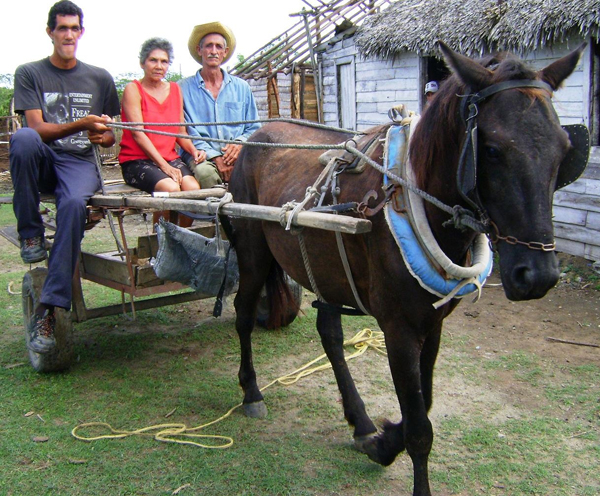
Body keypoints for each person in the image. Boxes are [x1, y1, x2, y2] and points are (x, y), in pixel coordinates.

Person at [9, 0, 120, 354]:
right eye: (62, 28)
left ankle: (49, 307)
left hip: (80, 163)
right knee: (22, 138)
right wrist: (82, 123)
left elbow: (111, 134)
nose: (68, 34)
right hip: (44, 158)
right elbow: (37, 130)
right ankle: (31, 234)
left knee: (73, 204)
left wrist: (101, 134)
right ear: (50, 32)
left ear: (82, 32)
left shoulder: (100, 77)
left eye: (74, 28)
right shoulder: (29, 72)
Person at [118, 37, 203, 227]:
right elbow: (138, 134)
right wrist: (164, 166)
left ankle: (181, 240)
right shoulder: (133, 89)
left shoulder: (175, 89)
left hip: (169, 158)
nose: (159, 66)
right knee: (170, 189)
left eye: (164, 61)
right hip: (137, 161)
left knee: (193, 190)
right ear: (142, 63)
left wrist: (192, 150)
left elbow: (181, 130)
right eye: (153, 60)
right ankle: (160, 245)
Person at [179, 22, 260, 187]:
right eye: (208, 46)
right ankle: (213, 214)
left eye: (218, 46)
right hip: (200, 155)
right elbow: (186, 132)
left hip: (238, 153)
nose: (213, 51)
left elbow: (254, 126)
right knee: (206, 174)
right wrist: (215, 157)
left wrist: (239, 144)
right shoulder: (182, 89)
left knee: (263, 173)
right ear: (199, 50)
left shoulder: (242, 87)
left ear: (225, 52)